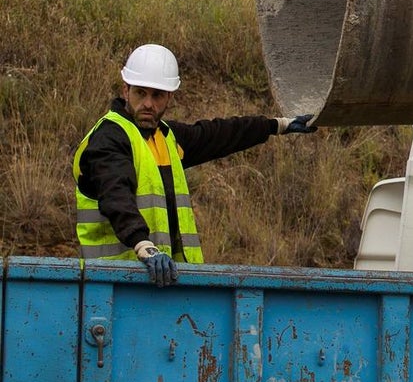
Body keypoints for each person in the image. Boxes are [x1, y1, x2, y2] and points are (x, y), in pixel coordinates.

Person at [73, 43, 317, 287]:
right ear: (126, 90)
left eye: (157, 95)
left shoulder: (166, 137)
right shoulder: (108, 139)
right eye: (140, 93)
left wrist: (278, 125)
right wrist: (142, 244)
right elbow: (115, 194)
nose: (148, 104)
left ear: (169, 96)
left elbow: (219, 134)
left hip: (165, 282)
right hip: (110, 282)